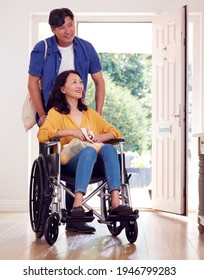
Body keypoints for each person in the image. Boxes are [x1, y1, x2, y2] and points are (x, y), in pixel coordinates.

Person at [28, 8, 106, 233]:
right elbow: (33, 83)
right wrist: (42, 115)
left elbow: (99, 81)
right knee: (53, 167)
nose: (67, 30)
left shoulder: (86, 48)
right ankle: (45, 217)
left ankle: (75, 217)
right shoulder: (42, 49)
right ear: (53, 29)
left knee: (79, 153)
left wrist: (97, 114)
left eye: (70, 24)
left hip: (76, 112)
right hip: (53, 115)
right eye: (61, 27)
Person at [38, 70, 132, 230]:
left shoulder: (90, 113)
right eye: (74, 82)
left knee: (109, 148)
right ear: (63, 89)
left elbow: (116, 132)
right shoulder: (55, 113)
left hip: (95, 164)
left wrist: (100, 137)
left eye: (81, 82)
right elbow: (43, 134)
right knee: (88, 151)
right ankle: (77, 204)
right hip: (68, 163)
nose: (80, 85)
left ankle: (116, 203)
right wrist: (71, 132)